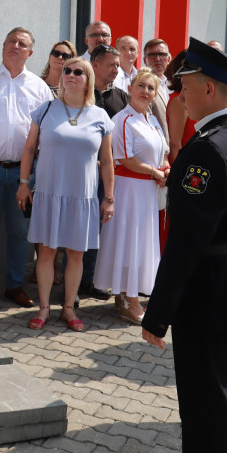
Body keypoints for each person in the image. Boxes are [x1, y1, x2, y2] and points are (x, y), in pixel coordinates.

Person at [140, 38, 227, 453]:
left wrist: (156, 315)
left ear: (210, 90)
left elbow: (185, 244)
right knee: (211, 393)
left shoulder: (206, 151)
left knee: (207, 396)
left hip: (209, 289)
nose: (180, 95)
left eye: (187, 87)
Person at [18, 57, 115, 332]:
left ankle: (69, 308)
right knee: (47, 253)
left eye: (78, 72)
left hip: (82, 197)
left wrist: (109, 198)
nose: (70, 75)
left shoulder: (100, 116)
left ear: (88, 81)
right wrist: (24, 182)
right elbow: (28, 149)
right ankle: (45, 308)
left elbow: (107, 162)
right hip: (49, 194)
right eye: (67, 71)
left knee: (75, 255)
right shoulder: (45, 110)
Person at [0, 27, 53, 307]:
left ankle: (15, 285)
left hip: (25, 172)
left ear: (30, 53)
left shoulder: (40, 87)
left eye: (22, 44)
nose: (16, 46)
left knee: (21, 232)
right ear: (3, 45)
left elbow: (47, 131)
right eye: (11, 41)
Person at [95, 68, 168, 323]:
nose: (145, 92)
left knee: (141, 242)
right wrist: (155, 172)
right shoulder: (123, 119)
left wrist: (165, 168)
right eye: (141, 86)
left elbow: (162, 151)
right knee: (130, 242)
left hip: (148, 190)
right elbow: (125, 158)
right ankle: (129, 298)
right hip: (130, 190)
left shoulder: (153, 119)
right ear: (130, 88)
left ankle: (124, 297)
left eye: (151, 88)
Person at [77, 44, 129, 302]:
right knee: (78, 229)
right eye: (112, 64)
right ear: (95, 65)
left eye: (118, 65)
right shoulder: (80, 95)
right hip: (82, 174)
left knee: (101, 230)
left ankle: (92, 280)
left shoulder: (122, 97)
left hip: (110, 175)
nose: (116, 69)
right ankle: (73, 283)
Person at [165, 49, 196, 165]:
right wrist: (179, 175)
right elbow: (175, 143)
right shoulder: (179, 101)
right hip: (182, 169)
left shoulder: (190, 99)